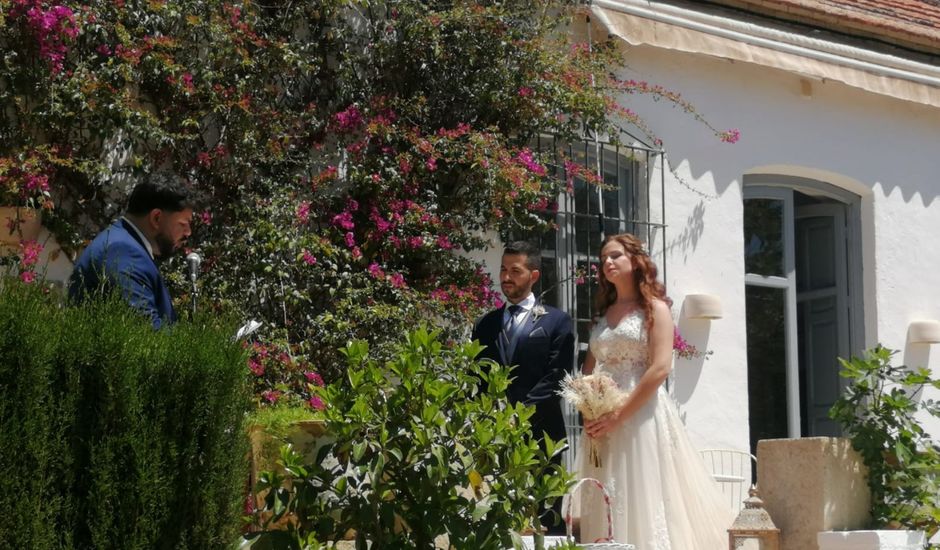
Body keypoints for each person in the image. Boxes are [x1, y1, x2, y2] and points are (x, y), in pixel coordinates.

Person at [576, 233, 732, 549]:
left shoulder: (655, 309)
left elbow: (660, 367)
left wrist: (619, 414)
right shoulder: (603, 315)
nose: (607, 262)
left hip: (640, 414)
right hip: (601, 419)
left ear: (636, 261)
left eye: (616, 255)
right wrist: (588, 410)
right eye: (603, 258)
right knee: (606, 490)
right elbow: (587, 370)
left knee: (643, 492)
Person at [472, 241, 575, 533]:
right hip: (493, 436)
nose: (506, 277)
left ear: (533, 275)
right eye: (503, 269)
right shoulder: (485, 324)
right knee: (497, 518)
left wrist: (519, 413)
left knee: (545, 518)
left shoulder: (557, 321)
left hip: (542, 434)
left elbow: (557, 376)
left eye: (515, 271)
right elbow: (477, 377)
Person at [69, 172, 193, 329]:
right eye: (183, 224)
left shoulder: (123, 244)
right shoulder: (123, 252)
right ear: (156, 218)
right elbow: (143, 334)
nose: (188, 232)